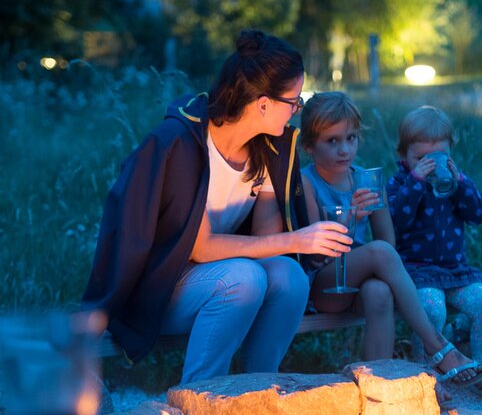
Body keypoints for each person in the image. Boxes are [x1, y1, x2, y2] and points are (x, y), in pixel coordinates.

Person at [81, 30, 353, 385]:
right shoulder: (183, 144)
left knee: (290, 278)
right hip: (161, 288)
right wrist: (298, 240)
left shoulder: (266, 148)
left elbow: (266, 241)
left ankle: (257, 388)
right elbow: (201, 247)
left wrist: (301, 242)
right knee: (244, 278)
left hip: (219, 279)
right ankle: (203, 395)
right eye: (294, 101)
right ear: (263, 104)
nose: (297, 111)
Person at [299, 92, 482, 396]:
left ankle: (379, 390)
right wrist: (350, 219)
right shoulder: (306, 182)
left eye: (350, 138)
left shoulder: (365, 178)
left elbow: (388, 241)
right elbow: (313, 256)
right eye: (331, 141)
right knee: (378, 254)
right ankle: (438, 347)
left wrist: (374, 209)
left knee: (380, 292)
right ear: (309, 146)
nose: (344, 150)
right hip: (325, 285)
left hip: (359, 284)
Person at [386, 105, 482, 402]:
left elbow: (481, 214)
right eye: (421, 159)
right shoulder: (400, 184)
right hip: (416, 271)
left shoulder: (455, 183)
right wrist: (415, 182)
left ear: (450, 153)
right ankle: (425, 376)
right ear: (403, 156)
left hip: (455, 270)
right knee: (431, 309)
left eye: (438, 158)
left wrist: (462, 184)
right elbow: (396, 222)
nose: (431, 166)